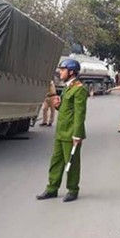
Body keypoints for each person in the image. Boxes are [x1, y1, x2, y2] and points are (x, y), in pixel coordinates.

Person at [36, 58, 88, 202]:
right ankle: (52, 188)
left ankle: (72, 189)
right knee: (56, 161)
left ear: (71, 72)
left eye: (63, 69)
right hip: (61, 132)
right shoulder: (67, 87)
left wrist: (77, 134)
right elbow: (67, 109)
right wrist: (58, 104)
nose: (60, 72)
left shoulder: (79, 89)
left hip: (71, 133)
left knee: (71, 162)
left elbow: (79, 113)